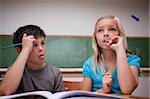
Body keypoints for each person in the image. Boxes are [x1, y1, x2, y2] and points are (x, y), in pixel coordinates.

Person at [81, 15, 141, 94]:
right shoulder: (89, 64)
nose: (105, 34)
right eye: (100, 30)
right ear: (95, 38)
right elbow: (83, 96)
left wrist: (120, 49)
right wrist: (104, 90)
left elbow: (127, 90)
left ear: (120, 35)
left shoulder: (132, 60)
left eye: (112, 29)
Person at [0, 25, 64, 96]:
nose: (41, 48)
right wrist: (25, 50)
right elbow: (5, 92)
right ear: (19, 50)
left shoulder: (55, 73)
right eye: (34, 45)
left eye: (42, 43)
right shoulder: (15, 71)